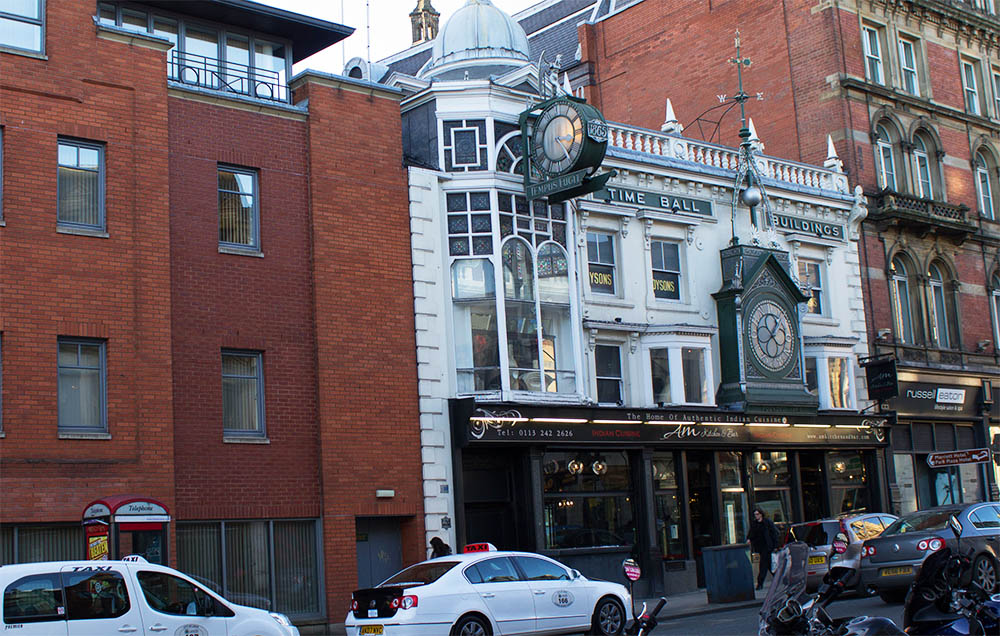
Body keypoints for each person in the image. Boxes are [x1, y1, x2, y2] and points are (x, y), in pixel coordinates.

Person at [747, 507, 780, 590]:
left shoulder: (767, 522)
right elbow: (752, 533)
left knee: (763, 565)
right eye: (755, 514)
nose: (756, 516)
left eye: (757, 514)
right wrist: (749, 539)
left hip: (768, 546)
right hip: (760, 547)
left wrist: (775, 545)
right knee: (769, 565)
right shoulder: (755, 524)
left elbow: (774, 533)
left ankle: (760, 583)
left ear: (761, 514)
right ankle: (779, 579)